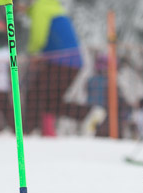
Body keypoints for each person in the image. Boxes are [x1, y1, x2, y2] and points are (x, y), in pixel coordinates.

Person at [22, 0, 105, 136]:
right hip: (71, 62)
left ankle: (27, 132)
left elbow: (38, 36)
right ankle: (90, 113)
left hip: (61, 61)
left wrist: (33, 53)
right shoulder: (51, 7)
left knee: (34, 94)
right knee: (50, 102)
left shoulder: (40, 7)